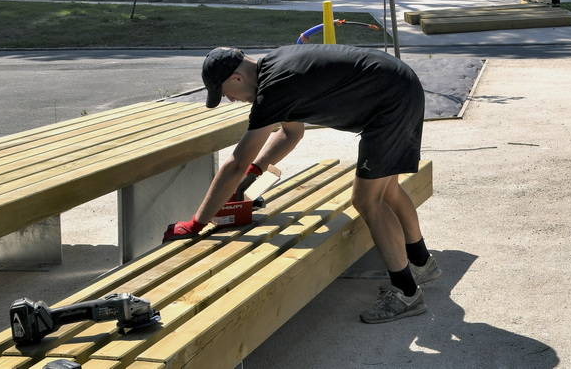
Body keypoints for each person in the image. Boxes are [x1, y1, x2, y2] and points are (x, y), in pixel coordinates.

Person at [164, 43, 436, 324]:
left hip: (390, 104)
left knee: (368, 200)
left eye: (225, 94)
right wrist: (252, 176)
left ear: (236, 78)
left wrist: (196, 223)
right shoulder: (277, 67)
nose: (231, 100)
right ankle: (421, 263)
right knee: (386, 188)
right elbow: (290, 133)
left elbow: (235, 162)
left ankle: (406, 293)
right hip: (400, 85)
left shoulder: (273, 90)